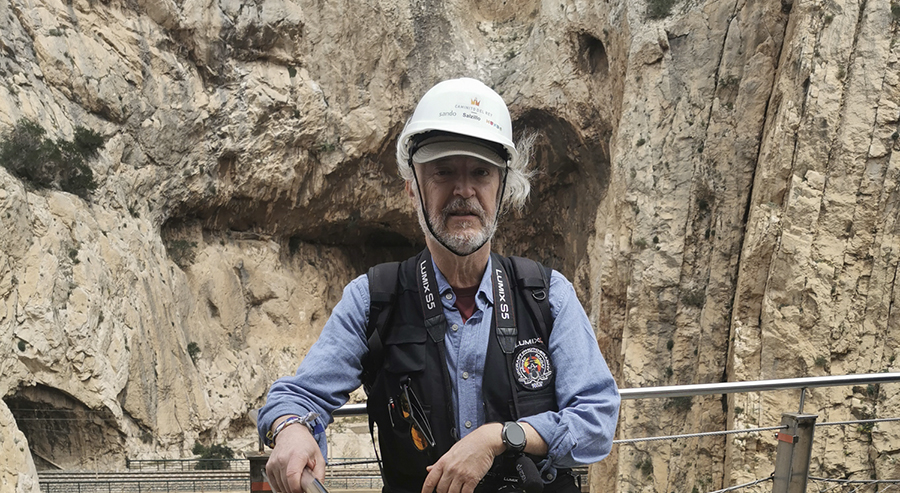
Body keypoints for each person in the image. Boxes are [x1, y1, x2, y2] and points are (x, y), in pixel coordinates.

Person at [258, 77, 620, 493]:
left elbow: (596, 419)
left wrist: (498, 438)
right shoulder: (374, 299)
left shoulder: (548, 296)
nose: (463, 190)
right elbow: (297, 396)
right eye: (443, 171)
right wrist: (290, 429)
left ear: (501, 188)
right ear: (413, 188)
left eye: (481, 172)